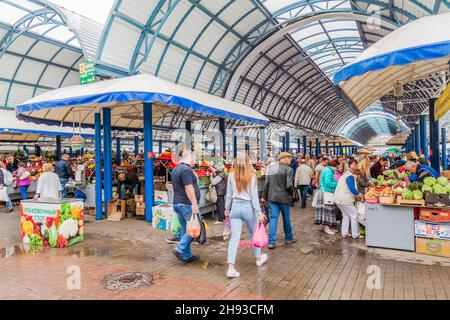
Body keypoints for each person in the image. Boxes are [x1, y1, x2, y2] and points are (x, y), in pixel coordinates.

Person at [225, 152, 267, 278]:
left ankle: (230, 268)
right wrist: (259, 213)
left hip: (235, 209)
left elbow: (228, 195)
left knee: (234, 238)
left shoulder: (231, 176)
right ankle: (258, 258)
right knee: (254, 234)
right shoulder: (252, 176)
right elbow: (254, 198)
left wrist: (227, 209)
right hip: (248, 208)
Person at [171, 151, 200, 263]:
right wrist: (194, 204)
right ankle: (179, 249)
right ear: (190, 158)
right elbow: (188, 187)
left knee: (185, 228)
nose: (195, 162)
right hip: (186, 205)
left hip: (177, 203)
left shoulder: (176, 169)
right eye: (195, 159)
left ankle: (186, 255)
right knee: (194, 229)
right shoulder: (186, 170)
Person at [263, 152, 296, 249]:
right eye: (289, 158)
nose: (291, 160)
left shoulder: (272, 168)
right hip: (284, 198)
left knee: (273, 219)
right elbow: (289, 185)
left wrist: (264, 196)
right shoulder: (289, 170)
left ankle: (271, 242)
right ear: (284, 158)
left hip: (272, 197)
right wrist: (291, 194)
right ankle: (289, 238)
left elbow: (267, 183)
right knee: (286, 218)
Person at [334, 160, 364, 239]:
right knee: (354, 215)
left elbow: (349, 189)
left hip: (338, 199)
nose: (356, 166)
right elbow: (352, 189)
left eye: (356, 164)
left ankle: (345, 233)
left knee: (346, 215)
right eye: (354, 164)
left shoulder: (345, 175)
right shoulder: (350, 176)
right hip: (345, 199)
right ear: (350, 165)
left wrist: (357, 196)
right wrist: (359, 194)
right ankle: (355, 234)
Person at [314, 160, 340, 235]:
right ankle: (327, 228)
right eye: (337, 167)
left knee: (328, 210)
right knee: (327, 211)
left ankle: (329, 227)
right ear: (334, 166)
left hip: (325, 192)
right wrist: (337, 183)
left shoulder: (327, 170)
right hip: (326, 193)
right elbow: (328, 183)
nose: (337, 169)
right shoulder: (329, 171)